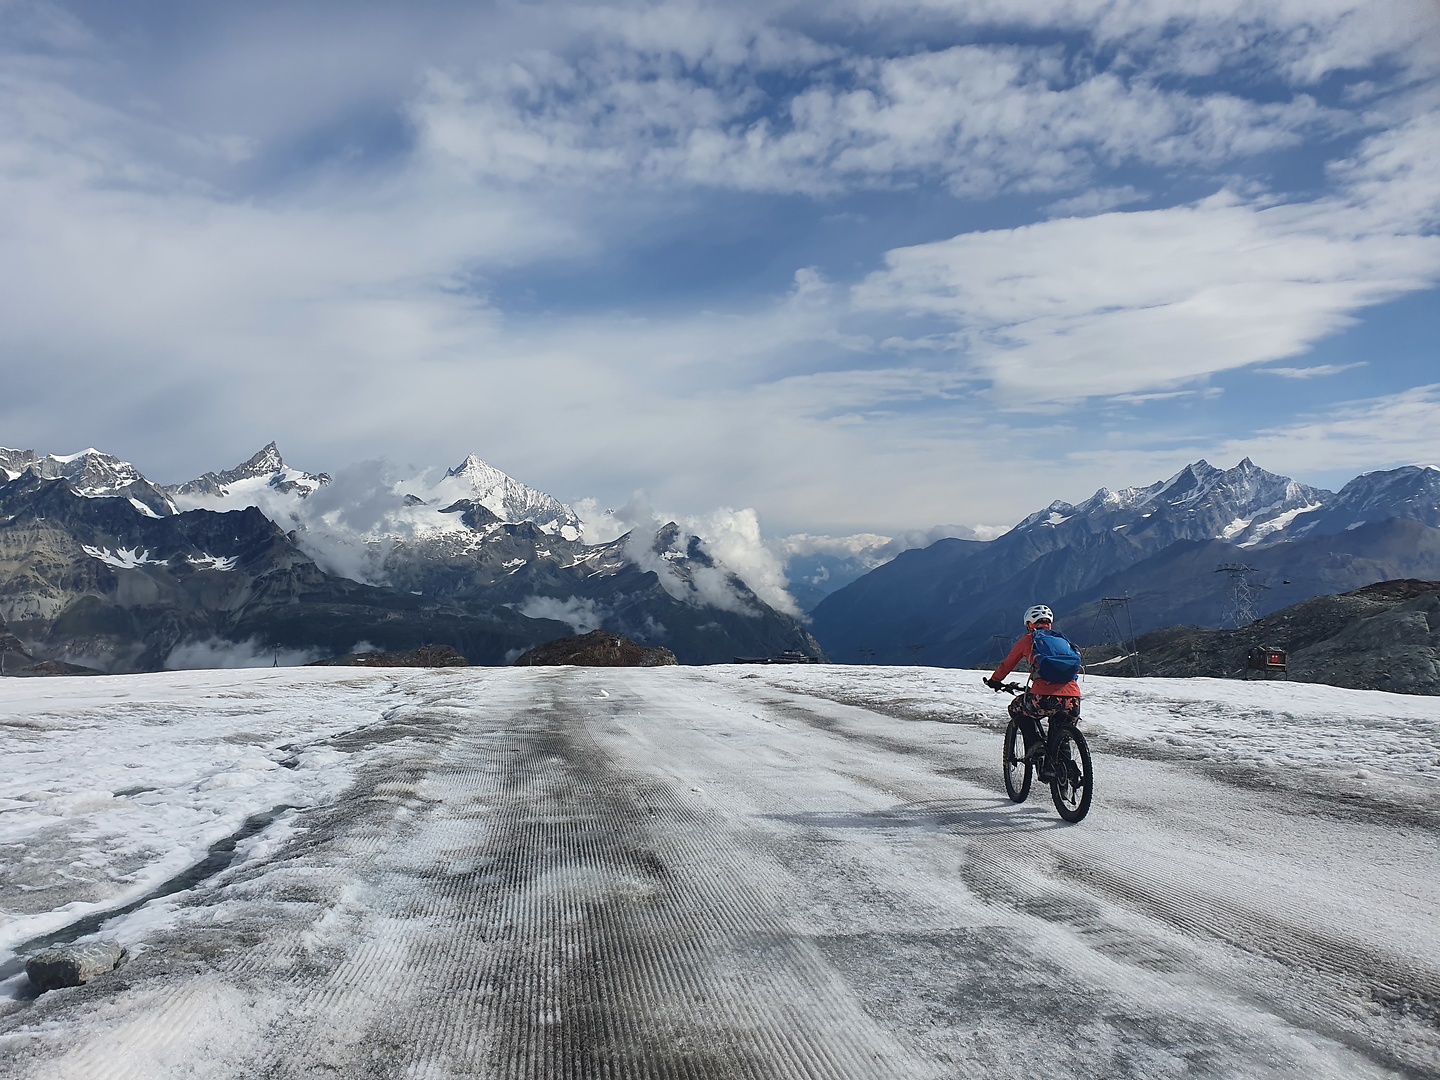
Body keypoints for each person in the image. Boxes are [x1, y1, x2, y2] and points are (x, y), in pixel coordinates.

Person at [984, 604, 1081, 779]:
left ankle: (1035, 744)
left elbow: (1007, 664)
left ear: (1029, 624)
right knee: (1061, 735)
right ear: (1049, 623)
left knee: (1016, 708)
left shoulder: (1029, 639)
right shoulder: (1062, 640)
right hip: (1072, 699)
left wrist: (994, 681)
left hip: (1043, 697)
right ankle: (1065, 773)